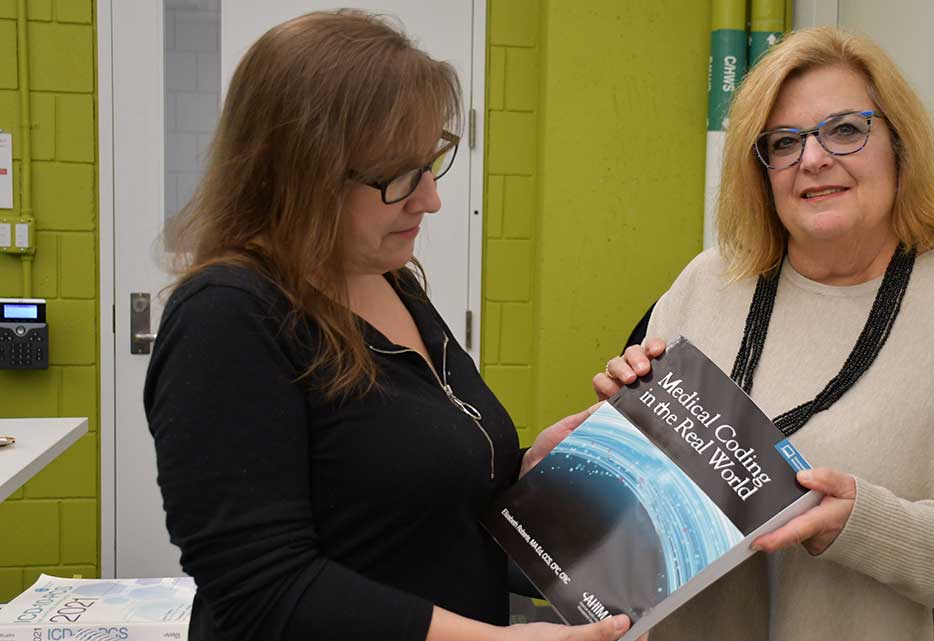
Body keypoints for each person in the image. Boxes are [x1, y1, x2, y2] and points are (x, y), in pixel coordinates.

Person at [144, 11, 633, 641]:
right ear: (300, 168)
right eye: (398, 176)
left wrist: (519, 475)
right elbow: (262, 590)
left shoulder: (388, 278)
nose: (429, 198)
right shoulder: (229, 316)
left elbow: (407, 511)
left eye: (431, 162)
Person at [594, 27, 934, 641]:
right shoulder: (709, 283)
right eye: (784, 142)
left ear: (899, 145)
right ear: (761, 172)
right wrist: (622, 429)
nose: (813, 159)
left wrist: (865, 526)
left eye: (845, 129)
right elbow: (642, 509)